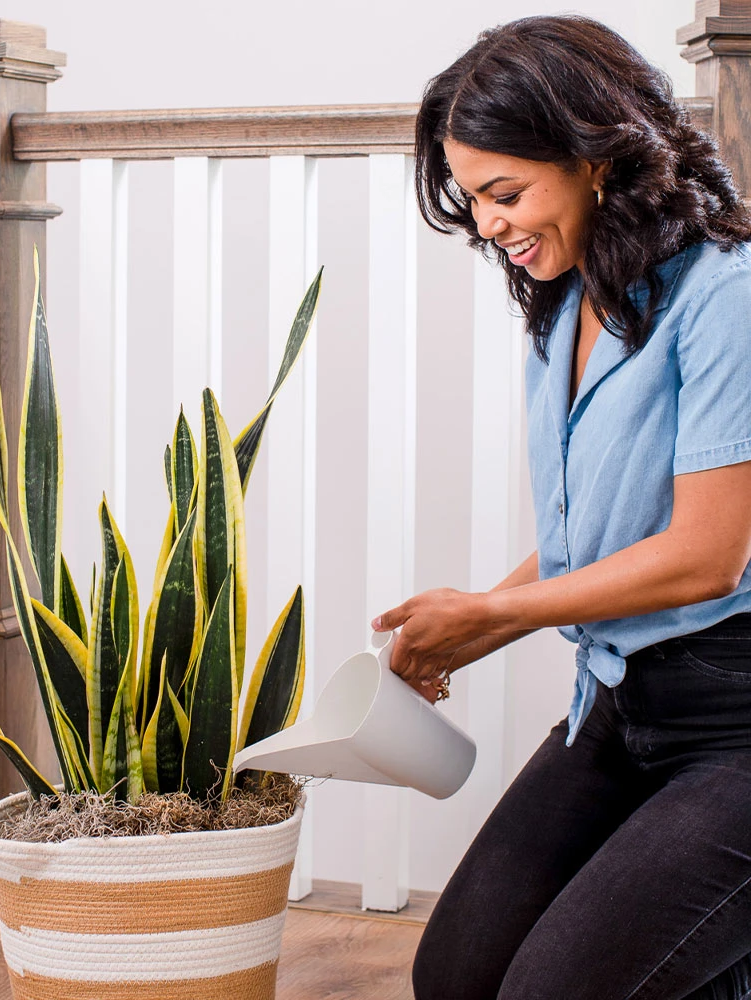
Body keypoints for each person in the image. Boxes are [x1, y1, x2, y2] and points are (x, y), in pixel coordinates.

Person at [371, 14, 751, 1000]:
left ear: (595, 159)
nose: (488, 224)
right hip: (619, 700)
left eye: (506, 193)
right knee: (454, 978)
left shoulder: (725, 293)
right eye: (472, 199)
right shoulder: (568, 297)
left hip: (735, 709)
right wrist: (465, 626)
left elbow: (705, 555)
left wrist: (490, 614)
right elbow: (594, 538)